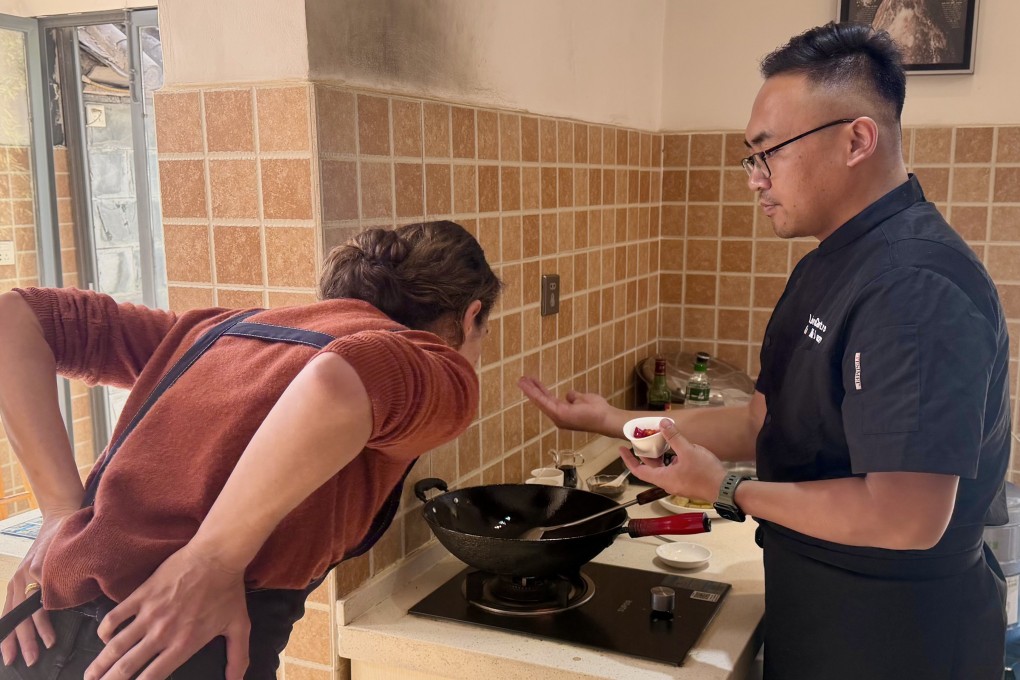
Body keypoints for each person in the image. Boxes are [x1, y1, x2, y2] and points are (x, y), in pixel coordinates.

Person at [519, 22, 1008, 680]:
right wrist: (612, 422)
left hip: (899, 641)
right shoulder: (830, 263)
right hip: (823, 610)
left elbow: (906, 516)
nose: (755, 179)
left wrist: (722, 487)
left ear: (857, 139)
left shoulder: (912, 287)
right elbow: (760, 422)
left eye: (767, 152)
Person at [0, 219, 501, 679]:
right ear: (471, 316)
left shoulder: (217, 333)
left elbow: (15, 316)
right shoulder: (434, 365)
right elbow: (341, 380)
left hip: (35, 638)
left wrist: (59, 513)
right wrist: (213, 559)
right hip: (169, 650)